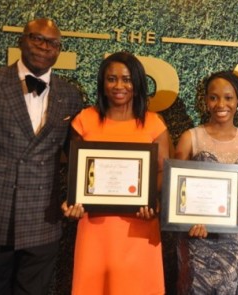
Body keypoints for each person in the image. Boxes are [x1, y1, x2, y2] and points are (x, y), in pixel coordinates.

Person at [0, 18, 83, 294]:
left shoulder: (70, 95)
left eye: (53, 43)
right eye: (37, 38)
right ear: (22, 40)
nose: (45, 47)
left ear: (59, 50)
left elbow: (79, 160)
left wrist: (79, 197)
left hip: (43, 222)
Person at [62, 51, 169, 294]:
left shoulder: (153, 123)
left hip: (139, 225)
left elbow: (163, 171)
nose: (119, 86)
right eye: (111, 79)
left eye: (127, 79)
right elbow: (77, 172)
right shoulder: (84, 120)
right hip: (94, 227)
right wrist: (73, 202)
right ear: (102, 83)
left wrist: (150, 198)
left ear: (138, 83)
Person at [174, 71, 238, 294]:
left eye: (228, 97)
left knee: (231, 287)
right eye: (213, 97)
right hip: (197, 233)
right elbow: (175, 190)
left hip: (234, 236)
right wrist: (188, 222)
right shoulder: (191, 138)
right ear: (205, 101)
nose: (220, 104)